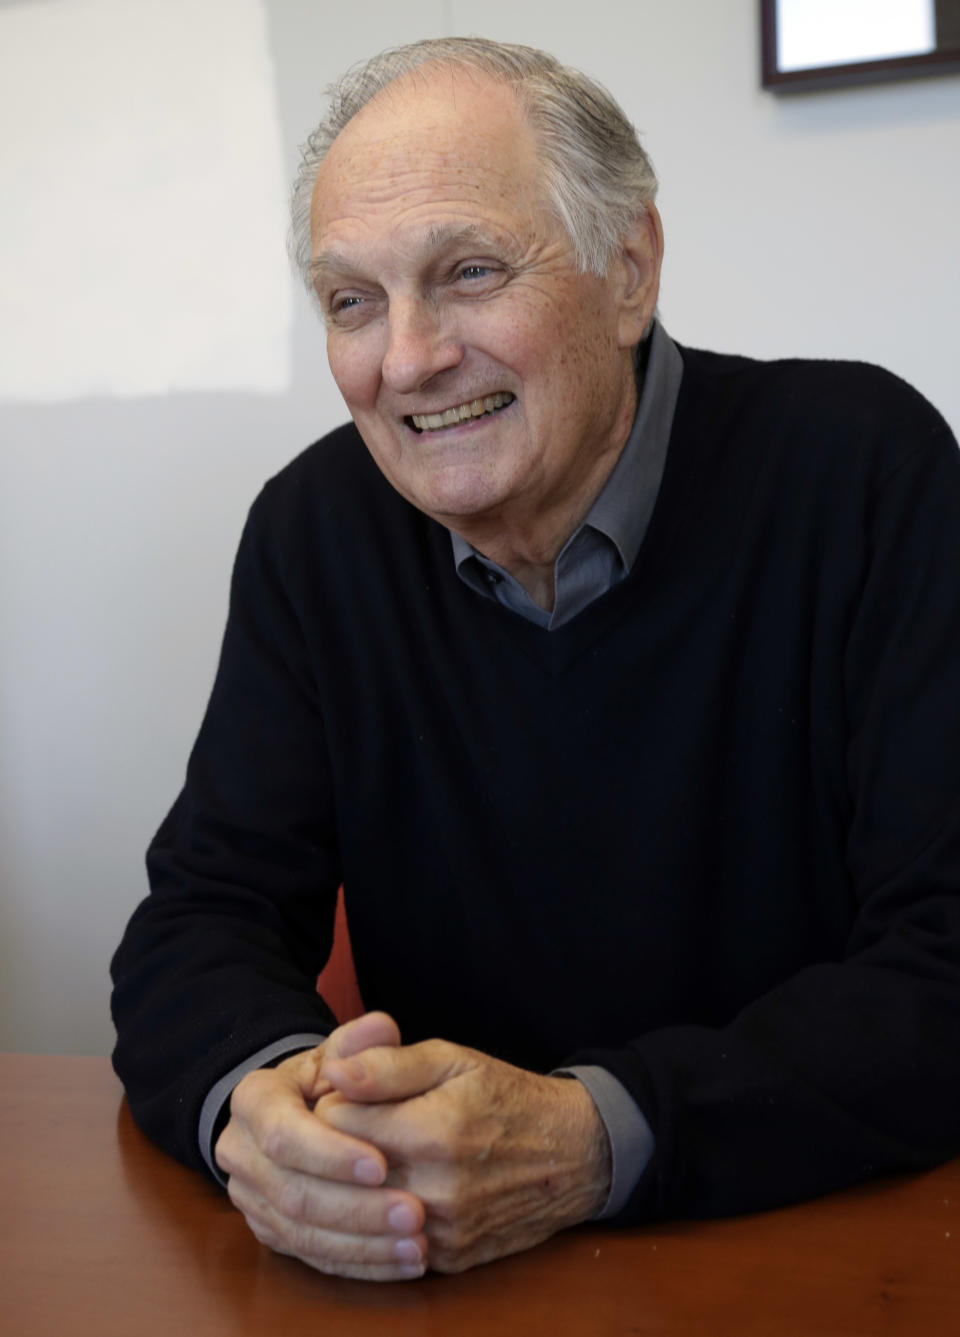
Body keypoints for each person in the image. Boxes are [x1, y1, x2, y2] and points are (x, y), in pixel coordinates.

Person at [110, 37, 960, 1283]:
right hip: (451, 1268)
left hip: (808, 1243)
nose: (406, 358)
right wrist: (277, 1112)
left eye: (466, 272)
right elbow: (201, 916)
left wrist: (589, 1136)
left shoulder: (866, 471)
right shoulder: (313, 532)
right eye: (352, 300)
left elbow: (945, 961)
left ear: (629, 269)